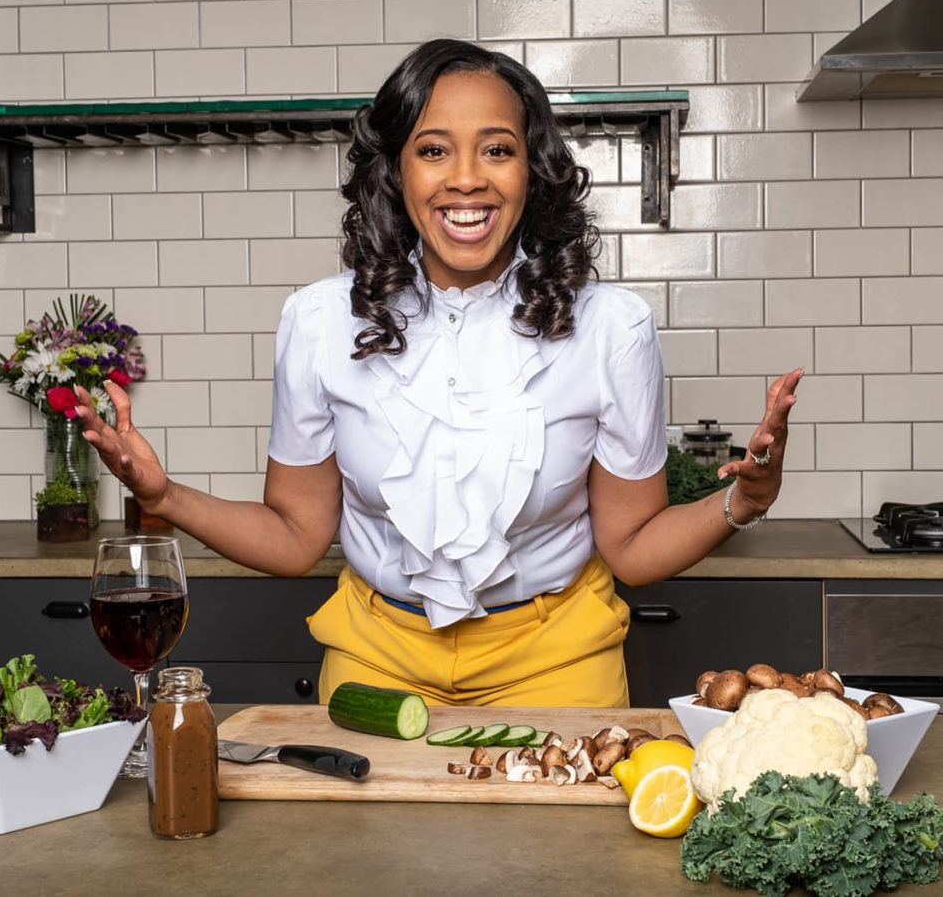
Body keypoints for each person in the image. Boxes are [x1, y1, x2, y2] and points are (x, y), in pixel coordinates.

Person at [75, 38, 801, 709]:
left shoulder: (613, 328)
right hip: (375, 662)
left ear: (532, 170)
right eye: (432, 150)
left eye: (496, 149)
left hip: (558, 663)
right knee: (365, 856)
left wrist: (744, 499)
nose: (465, 180)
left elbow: (634, 547)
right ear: (396, 169)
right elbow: (297, 535)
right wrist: (164, 496)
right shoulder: (319, 321)